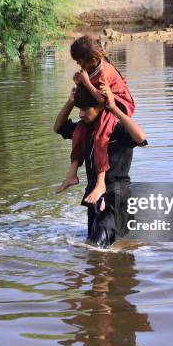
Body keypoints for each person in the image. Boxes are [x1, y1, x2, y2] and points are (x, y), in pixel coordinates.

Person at [54, 84, 147, 248]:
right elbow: (59, 128)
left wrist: (113, 108)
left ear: (99, 107)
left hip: (116, 200)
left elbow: (140, 138)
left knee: (94, 246)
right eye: (79, 109)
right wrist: (70, 102)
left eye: (85, 109)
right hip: (94, 197)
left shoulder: (116, 130)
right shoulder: (84, 130)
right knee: (99, 248)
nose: (81, 114)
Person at [56, 35, 136, 207]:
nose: (78, 65)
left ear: (91, 59)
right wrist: (79, 85)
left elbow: (102, 101)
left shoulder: (104, 71)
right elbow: (59, 126)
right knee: (78, 132)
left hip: (116, 107)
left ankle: (100, 184)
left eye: (79, 61)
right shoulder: (93, 68)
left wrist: (85, 82)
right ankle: (72, 174)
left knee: (101, 137)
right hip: (103, 106)